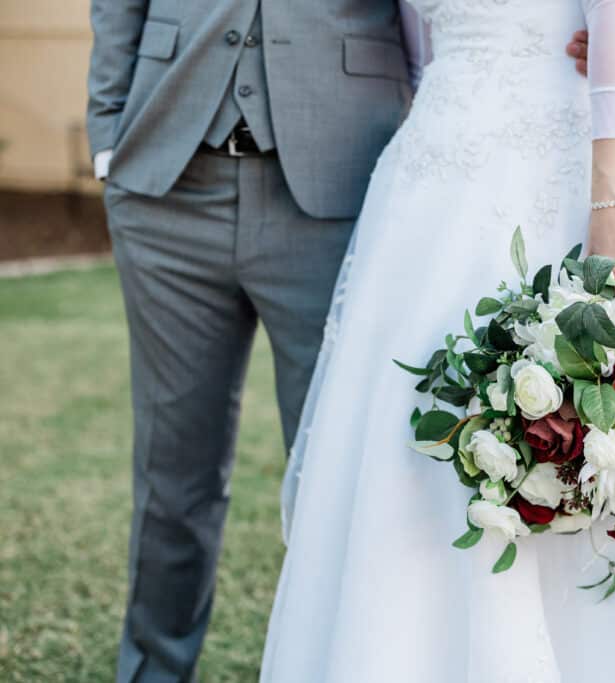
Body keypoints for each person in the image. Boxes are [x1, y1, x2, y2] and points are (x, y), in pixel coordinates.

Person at [261, 1, 615, 681]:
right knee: (412, 446)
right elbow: (420, 48)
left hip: (561, 171)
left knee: (588, 427)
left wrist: (613, 200)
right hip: (430, 187)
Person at [86, 0, 587, 679]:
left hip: (342, 185)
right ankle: (151, 670)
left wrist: (571, 28)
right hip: (167, 184)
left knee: (343, 466)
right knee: (172, 468)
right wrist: (107, 135)